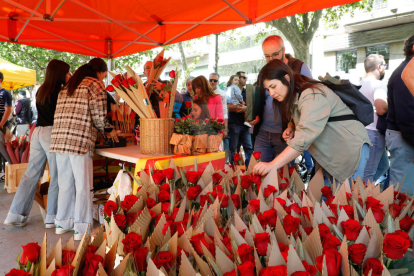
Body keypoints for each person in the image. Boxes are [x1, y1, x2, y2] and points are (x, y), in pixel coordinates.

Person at [252, 60, 371, 185]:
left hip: (347, 149)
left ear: (286, 78)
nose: (271, 93)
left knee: (342, 200)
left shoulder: (311, 95)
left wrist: (272, 165)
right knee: (324, 198)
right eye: (267, 89)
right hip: (328, 151)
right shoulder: (295, 93)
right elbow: (303, 117)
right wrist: (292, 126)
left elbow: (303, 139)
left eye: (273, 86)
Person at [4, 60, 71, 228]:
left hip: (38, 132)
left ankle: (15, 214)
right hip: (52, 133)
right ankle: (51, 218)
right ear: (60, 74)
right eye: (68, 73)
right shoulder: (61, 92)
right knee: (55, 176)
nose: (70, 76)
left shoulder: (41, 90)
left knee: (30, 174)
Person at [50, 58, 107, 240]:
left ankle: (63, 223)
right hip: (79, 141)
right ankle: (81, 228)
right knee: (83, 186)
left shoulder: (67, 86)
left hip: (59, 141)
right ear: (99, 72)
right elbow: (99, 118)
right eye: (104, 75)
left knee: (65, 185)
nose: (103, 79)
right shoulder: (95, 85)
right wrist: (109, 129)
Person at [254, 35, 313, 166]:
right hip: (264, 131)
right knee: (259, 173)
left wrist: (292, 126)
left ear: (283, 50)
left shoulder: (299, 68)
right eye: (267, 56)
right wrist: (253, 115)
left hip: (285, 133)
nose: (270, 59)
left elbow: (307, 103)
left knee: (283, 176)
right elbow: (261, 100)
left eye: (274, 54)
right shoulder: (265, 71)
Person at [385, 35, 414, 193]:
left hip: (405, 137)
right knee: (404, 196)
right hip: (405, 138)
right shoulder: (406, 73)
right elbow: (407, 116)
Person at [359, 54, 389, 184]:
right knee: (368, 174)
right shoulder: (378, 84)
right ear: (379, 67)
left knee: (383, 166)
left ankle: (367, 191)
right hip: (374, 132)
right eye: (384, 66)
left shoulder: (359, 84)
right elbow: (381, 108)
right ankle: (363, 198)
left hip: (361, 131)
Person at [209, 72, 229, 159]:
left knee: (218, 149)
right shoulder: (205, 92)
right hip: (206, 125)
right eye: (210, 80)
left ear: (218, 81)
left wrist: (225, 128)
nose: (212, 82)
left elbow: (225, 111)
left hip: (217, 125)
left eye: (215, 80)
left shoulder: (222, 93)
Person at [0, 71, 13, 165]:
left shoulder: (5, 93)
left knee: (5, 152)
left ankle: (6, 173)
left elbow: (8, 110)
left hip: (3, 127)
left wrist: (0, 124)